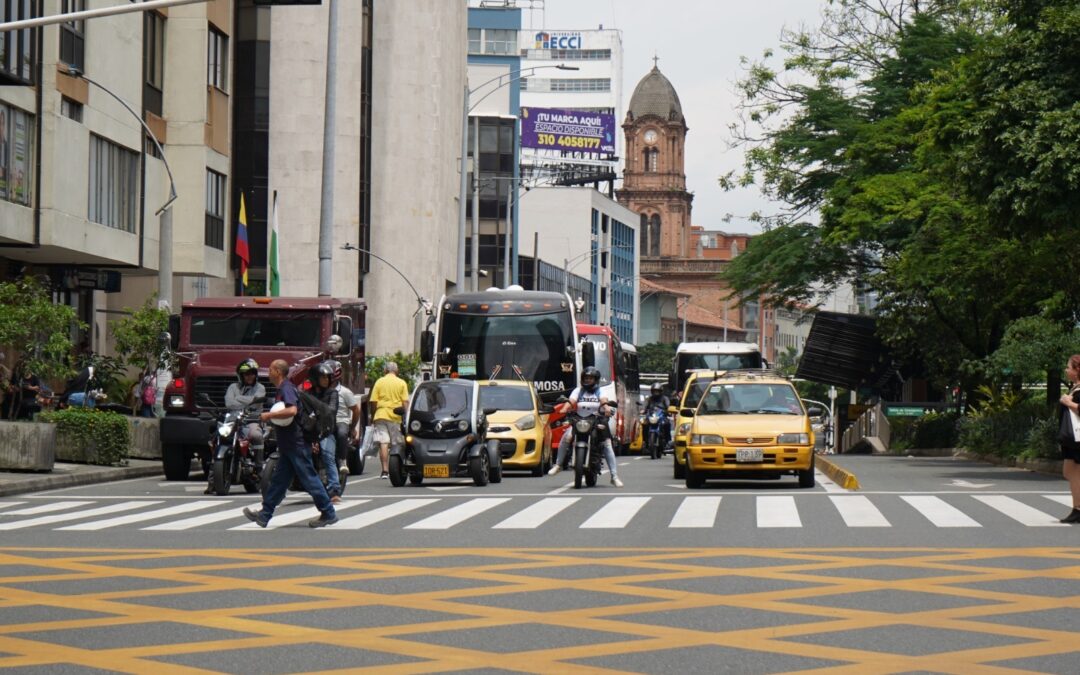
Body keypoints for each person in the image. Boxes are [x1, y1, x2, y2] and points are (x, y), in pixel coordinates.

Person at [243, 359, 337, 528]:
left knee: (310, 479)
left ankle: (328, 512)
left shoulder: (286, 388)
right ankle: (264, 515)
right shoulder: (283, 388)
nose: (268, 372)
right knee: (279, 482)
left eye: (271, 369)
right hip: (288, 444)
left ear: (278, 371)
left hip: (296, 443)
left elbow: (292, 410)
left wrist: (268, 416)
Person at [548, 366, 624, 487]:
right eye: (586, 378)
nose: (588, 380)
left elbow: (603, 401)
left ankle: (614, 476)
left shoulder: (600, 391)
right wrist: (564, 409)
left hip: (596, 419)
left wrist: (607, 408)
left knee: (607, 444)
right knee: (566, 436)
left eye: (590, 378)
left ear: (596, 380)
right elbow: (571, 401)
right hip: (579, 419)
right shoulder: (578, 390)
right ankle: (558, 465)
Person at [205, 359, 266, 494]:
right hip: (233, 419)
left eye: (252, 373)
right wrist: (248, 401)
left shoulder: (260, 388)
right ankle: (212, 481)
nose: (250, 376)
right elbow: (229, 403)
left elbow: (256, 403)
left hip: (251, 420)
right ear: (241, 375)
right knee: (216, 439)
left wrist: (238, 399)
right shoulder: (233, 387)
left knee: (256, 435)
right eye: (246, 374)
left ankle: (258, 468)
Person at [305, 362, 342, 502]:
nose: (326, 380)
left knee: (327, 455)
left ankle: (334, 489)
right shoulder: (306, 394)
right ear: (315, 379)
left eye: (327, 377)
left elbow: (331, 411)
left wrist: (317, 413)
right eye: (323, 377)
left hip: (326, 431)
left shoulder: (333, 394)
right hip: (309, 430)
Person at [369, 360, 410, 479]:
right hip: (395, 416)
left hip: (380, 414)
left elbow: (373, 401)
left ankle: (385, 471)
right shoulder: (401, 383)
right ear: (396, 371)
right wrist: (406, 417)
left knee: (383, 442)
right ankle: (397, 468)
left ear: (385, 370)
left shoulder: (379, 382)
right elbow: (405, 402)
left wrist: (373, 416)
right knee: (397, 443)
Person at [326, 360, 363, 479]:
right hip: (324, 421)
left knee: (342, 433)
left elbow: (356, 410)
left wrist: (352, 427)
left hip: (340, 421)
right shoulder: (319, 391)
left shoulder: (345, 392)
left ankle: (342, 460)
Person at [1057, 354, 1080, 523]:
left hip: (1077, 438)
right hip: (1074, 438)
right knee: (1070, 472)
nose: (1066, 370)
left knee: (1072, 473)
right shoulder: (1076, 388)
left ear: (1077, 370)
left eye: (1069, 367)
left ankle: (1078, 509)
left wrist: (1068, 402)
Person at [643, 382, 672, 447]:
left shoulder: (665, 398)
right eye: (654, 391)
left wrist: (668, 411)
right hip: (651, 415)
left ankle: (668, 441)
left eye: (657, 391)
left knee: (667, 424)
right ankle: (645, 441)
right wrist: (643, 410)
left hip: (661, 415)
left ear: (661, 391)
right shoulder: (649, 399)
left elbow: (668, 406)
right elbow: (645, 406)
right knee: (644, 424)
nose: (656, 393)